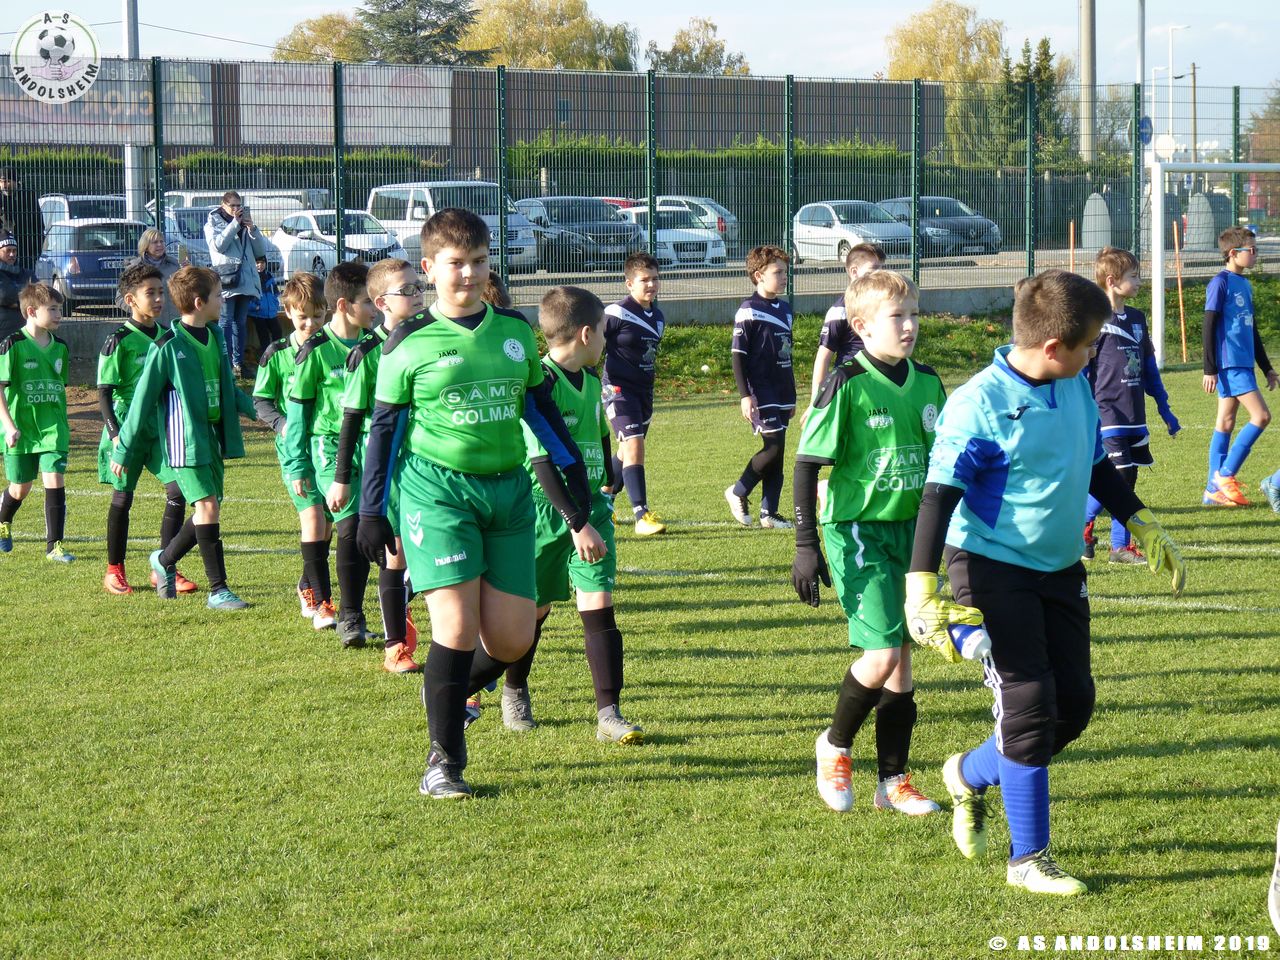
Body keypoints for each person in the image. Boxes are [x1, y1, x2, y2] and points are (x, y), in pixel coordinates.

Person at [905, 270, 1186, 895]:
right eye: (1089, 345)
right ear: (1054, 347)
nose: (1095, 356)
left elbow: (1095, 466)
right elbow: (938, 497)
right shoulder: (978, 405)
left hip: (1059, 570)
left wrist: (1142, 524)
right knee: (1029, 704)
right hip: (991, 567)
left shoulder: (1074, 385)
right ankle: (1028, 859)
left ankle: (968, 774)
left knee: (1074, 706)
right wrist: (920, 589)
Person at [356, 208, 590, 800]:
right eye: (456, 263)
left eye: (479, 262)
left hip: (508, 493)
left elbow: (538, 407)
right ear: (430, 268)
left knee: (512, 640)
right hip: (438, 493)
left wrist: (575, 473)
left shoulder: (512, 330)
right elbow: (384, 429)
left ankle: (446, 690)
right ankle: (444, 761)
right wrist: (371, 510)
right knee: (456, 628)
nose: (469, 274)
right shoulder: (408, 341)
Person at [793, 271, 945, 817]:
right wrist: (805, 543)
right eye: (896, 317)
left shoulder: (928, 382)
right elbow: (807, 464)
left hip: (913, 531)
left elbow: (945, 462)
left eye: (914, 315)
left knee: (902, 662)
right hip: (858, 530)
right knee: (881, 656)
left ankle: (893, 781)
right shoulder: (847, 382)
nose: (909, 326)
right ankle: (834, 745)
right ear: (860, 326)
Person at [493, 286, 644, 742]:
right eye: (603, 331)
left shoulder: (592, 380)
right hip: (546, 510)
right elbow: (541, 462)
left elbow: (599, 433)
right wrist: (574, 520)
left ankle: (609, 713)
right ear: (585, 334)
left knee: (598, 606)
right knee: (534, 612)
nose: (606, 339)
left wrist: (609, 477)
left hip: (590, 507)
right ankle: (514, 688)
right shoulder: (540, 383)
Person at [111, 265, 258, 610]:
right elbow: (141, 402)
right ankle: (218, 590)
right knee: (207, 507)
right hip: (183, 443)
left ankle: (163, 560)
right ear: (199, 302)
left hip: (211, 438)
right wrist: (123, 450)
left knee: (209, 509)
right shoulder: (166, 346)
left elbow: (228, 388)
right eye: (219, 295)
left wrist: (264, 412)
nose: (223, 300)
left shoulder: (216, 337)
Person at [330, 258, 425, 673]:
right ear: (382, 302)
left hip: (433, 464)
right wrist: (341, 479)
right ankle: (396, 647)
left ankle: (407, 608)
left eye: (419, 286)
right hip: (391, 469)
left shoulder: (433, 337)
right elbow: (351, 419)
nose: (418, 295)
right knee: (396, 554)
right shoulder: (367, 353)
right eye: (407, 290)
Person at [283, 261, 378, 648]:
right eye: (368, 301)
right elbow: (297, 413)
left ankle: (349, 604)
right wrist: (297, 465)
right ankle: (349, 616)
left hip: (369, 445)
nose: (375, 308)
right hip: (328, 447)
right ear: (343, 305)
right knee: (350, 525)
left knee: (368, 530)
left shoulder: (376, 344)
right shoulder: (315, 351)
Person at [99, 263, 195, 595]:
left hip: (160, 426)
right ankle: (114, 570)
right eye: (149, 293)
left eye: (160, 292)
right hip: (127, 428)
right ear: (130, 300)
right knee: (123, 497)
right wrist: (116, 436)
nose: (158, 299)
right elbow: (104, 393)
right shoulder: (119, 340)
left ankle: (164, 566)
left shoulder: (168, 336)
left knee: (177, 491)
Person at [1082, 247, 1180, 563]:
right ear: (1112, 281)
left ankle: (1108, 541)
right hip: (1106, 412)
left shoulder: (1137, 319)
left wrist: (1165, 408)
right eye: (1134, 276)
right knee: (1120, 477)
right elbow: (1081, 369)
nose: (1139, 281)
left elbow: (1149, 367)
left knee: (1129, 477)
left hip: (1134, 413)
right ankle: (1103, 536)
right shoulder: (1094, 320)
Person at [252, 272, 333, 629]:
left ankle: (306, 584)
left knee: (327, 524)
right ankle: (321, 601)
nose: (311, 323)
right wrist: (285, 426)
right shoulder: (276, 354)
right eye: (303, 317)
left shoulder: (334, 349)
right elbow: (261, 400)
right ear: (287, 312)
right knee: (313, 518)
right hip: (295, 451)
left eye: (318, 315)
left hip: (329, 448)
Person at [1201, 226, 1276, 507]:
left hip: (1243, 362)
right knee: (1261, 416)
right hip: (1229, 363)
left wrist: (1266, 367)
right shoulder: (1219, 283)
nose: (1256, 254)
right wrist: (1209, 368)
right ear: (1233, 253)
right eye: (1252, 250)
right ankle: (1225, 475)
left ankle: (1212, 491)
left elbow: (1251, 330)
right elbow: (1209, 325)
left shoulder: (1244, 284)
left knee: (1226, 421)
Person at [725, 245, 795, 529]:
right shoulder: (748, 310)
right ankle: (738, 490)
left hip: (782, 390)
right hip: (760, 389)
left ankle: (770, 513)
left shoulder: (786, 310)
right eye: (778, 272)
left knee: (779, 451)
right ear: (759, 276)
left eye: (785, 272)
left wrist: (791, 395)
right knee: (773, 448)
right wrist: (745, 395)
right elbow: (738, 356)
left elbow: (787, 353)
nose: (784, 277)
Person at [0, 282, 71, 561]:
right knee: (20, 488)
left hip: (53, 428)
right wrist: (9, 426)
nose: (58, 315)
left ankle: (54, 547)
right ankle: (3, 521)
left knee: (54, 478)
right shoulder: (12, 344)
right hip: (21, 428)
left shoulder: (61, 347)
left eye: (59, 309)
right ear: (31, 311)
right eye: (52, 309)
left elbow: (59, 386)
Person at [602, 252, 667, 536]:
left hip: (643, 393)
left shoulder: (658, 317)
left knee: (625, 451)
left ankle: (602, 501)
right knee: (634, 445)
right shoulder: (616, 313)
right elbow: (592, 344)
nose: (651, 284)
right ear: (629, 283)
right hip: (617, 390)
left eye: (655, 279)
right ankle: (642, 514)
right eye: (644, 280)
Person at [804, 242, 885, 416]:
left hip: (881, 383)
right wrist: (816, 403)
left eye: (881, 269)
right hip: (852, 386)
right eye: (873, 270)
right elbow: (823, 357)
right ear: (854, 272)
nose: (879, 275)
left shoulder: (884, 307)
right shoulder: (840, 311)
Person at [204, 191, 266, 379]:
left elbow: (260, 251)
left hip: (245, 279)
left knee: (240, 322)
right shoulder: (212, 223)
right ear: (223, 205)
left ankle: (239, 364)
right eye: (233, 205)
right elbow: (219, 246)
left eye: (239, 205)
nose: (237, 209)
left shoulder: (244, 223)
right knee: (226, 321)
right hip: (227, 280)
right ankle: (226, 364)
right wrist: (234, 224)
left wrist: (252, 229)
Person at [127, 228, 181, 324]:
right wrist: (139, 309)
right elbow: (120, 297)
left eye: (162, 241)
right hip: (147, 324)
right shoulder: (135, 267)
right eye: (155, 242)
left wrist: (188, 271)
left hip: (172, 323)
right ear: (145, 245)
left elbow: (187, 291)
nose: (160, 245)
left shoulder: (175, 265)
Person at [0, 168, 43, 271]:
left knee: (26, 279)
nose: (4, 185)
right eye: (1, 181)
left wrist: (36, 251)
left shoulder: (28, 196)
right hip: (4, 251)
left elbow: (39, 224)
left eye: (7, 181)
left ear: (16, 181)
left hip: (26, 251)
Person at [246, 257, 281, 375]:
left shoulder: (269, 276)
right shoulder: (251, 277)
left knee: (277, 331)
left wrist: (275, 304)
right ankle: (266, 359)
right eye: (257, 263)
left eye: (262, 263)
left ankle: (277, 355)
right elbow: (247, 296)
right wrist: (254, 306)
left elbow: (275, 293)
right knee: (263, 336)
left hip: (270, 312)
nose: (260, 265)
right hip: (257, 313)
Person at [0, 233, 35, 341]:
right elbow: (4, 296)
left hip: (26, 333)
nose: (12, 254)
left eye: (14, 251)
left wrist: (15, 303)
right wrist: (26, 296)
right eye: (8, 251)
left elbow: (38, 296)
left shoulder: (27, 273)